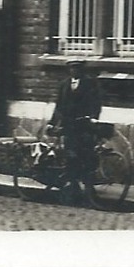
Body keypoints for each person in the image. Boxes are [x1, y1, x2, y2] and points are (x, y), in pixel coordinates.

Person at [49, 59, 104, 197]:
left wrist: (93, 117)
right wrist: (52, 122)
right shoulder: (64, 85)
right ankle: (73, 186)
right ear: (69, 70)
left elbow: (96, 103)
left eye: (78, 68)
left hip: (84, 126)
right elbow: (59, 106)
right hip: (69, 126)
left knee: (87, 156)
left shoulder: (90, 84)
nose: (75, 71)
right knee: (71, 156)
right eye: (72, 68)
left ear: (82, 70)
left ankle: (89, 187)